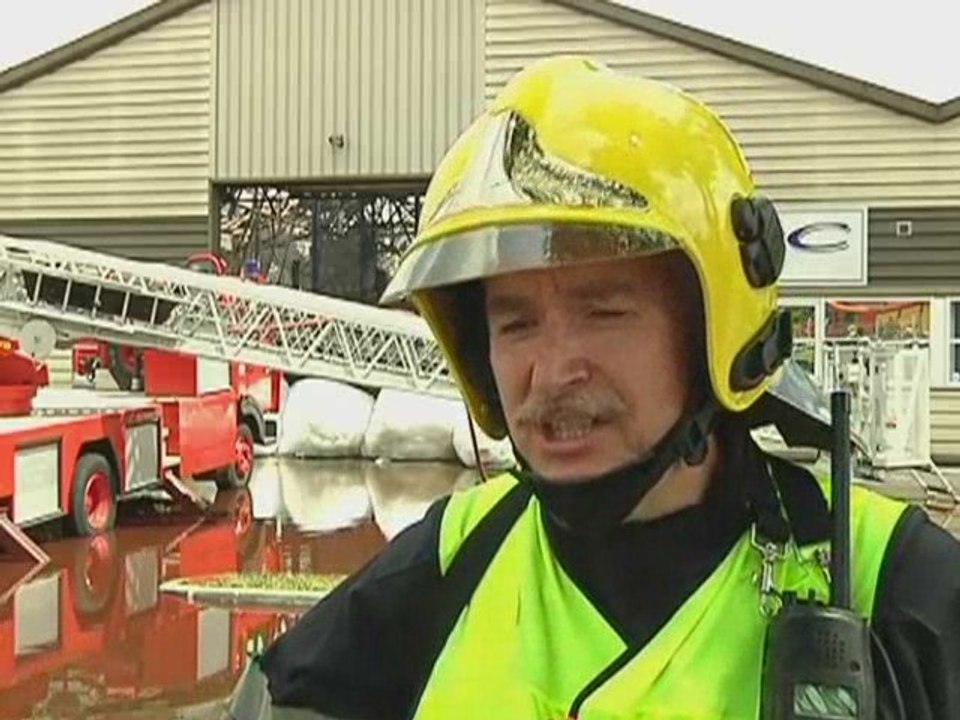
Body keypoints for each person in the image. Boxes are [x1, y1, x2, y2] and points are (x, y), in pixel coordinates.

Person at [228, 56, 960, 720]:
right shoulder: (458, 554)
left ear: (714, 330)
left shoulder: (895, 585)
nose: (550, 374)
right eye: (516, 326)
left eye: (604, 314)